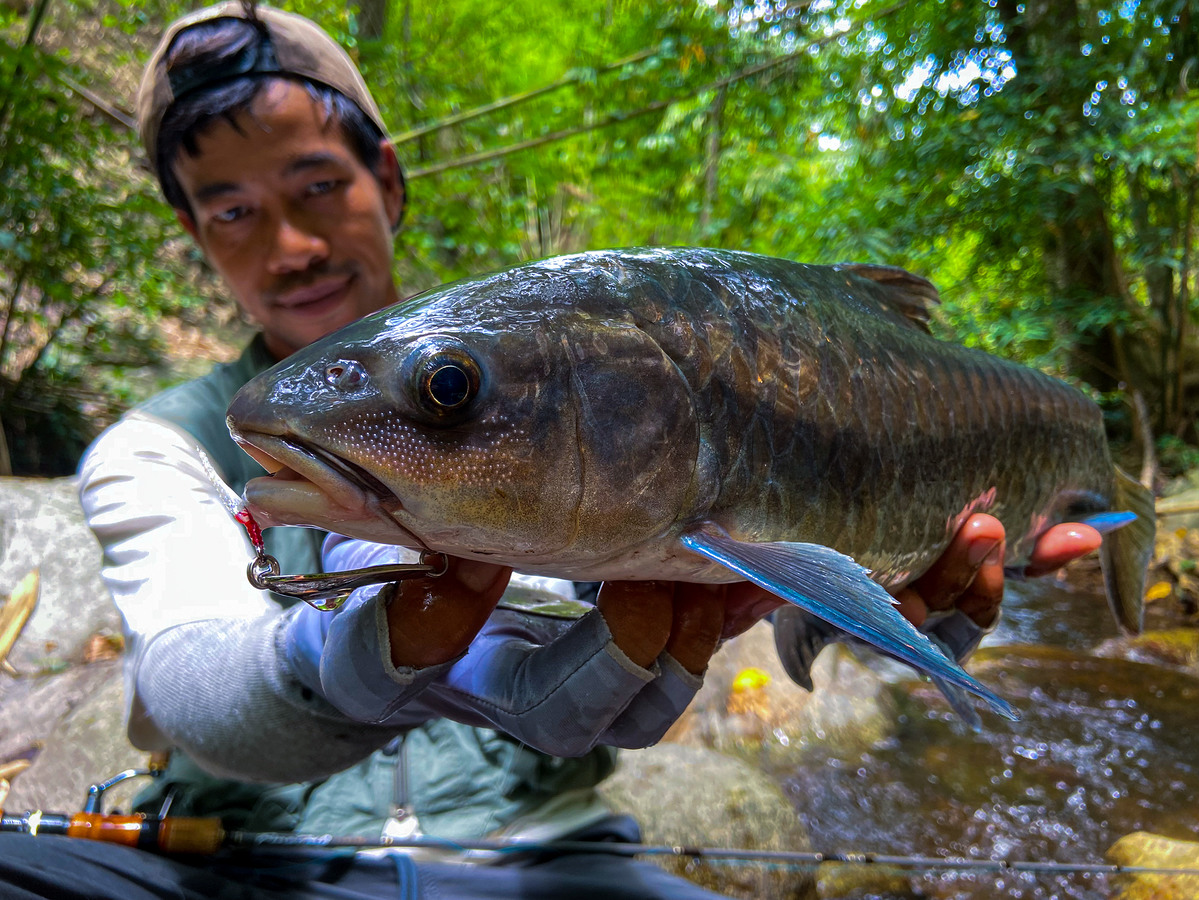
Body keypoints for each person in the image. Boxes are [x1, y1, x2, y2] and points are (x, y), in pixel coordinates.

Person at [0, 4, 1102, 899]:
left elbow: (811, 602)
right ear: (194, 233)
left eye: (317, 187)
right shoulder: (156, 447)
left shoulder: (552, 370)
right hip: (240, 865)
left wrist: (902, 615)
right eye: (231, 210)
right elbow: (189, 679)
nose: (288, 246)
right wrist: (337, 663)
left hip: (550, 864)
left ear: (385, 177)